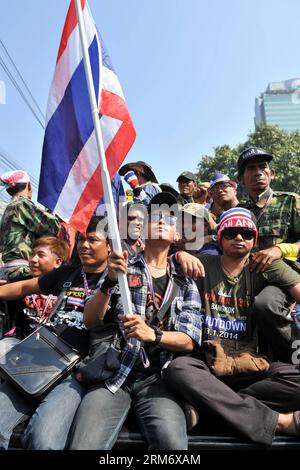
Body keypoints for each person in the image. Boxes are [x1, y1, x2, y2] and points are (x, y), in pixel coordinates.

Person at [69, 192, 202, 450]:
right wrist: (108, 282)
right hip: (114, 376)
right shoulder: (121, 268)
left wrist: (153, 335)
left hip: (159, 383)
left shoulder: (186, 282)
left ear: (177, 236)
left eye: (169, 219)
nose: (162, 221)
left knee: (173, 447)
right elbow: (90, 321)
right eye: (155, 217)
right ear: (141, 230)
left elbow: (190, 340)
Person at [164, 208, 300, 446]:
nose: (239, 238)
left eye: (246, 233)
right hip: (206, 365)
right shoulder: (202, 262)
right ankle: (277, 421)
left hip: (251, 365)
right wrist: (177, 256)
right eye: (232, 232)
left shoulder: (266, 265)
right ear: (220, 237)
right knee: (178, 369)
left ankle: (211, 409)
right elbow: (153, 266)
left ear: (254, 240)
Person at [0, 216, 110, 450]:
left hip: (75, 374)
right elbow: (21, 287)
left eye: (93, 240)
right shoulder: (67, 274)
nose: (84, 245)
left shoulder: (119, 281)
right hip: (38, 359)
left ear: (110, 247)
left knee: (43, 440)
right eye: (81, 239)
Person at [238, 147, 300, 361]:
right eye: (251, 168)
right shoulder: (239, 211)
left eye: (263, 167)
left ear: (272, 173)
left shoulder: (290, 201)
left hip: (284, 279)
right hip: (245, 278)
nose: (258, 172)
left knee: (265, 304)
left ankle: (294, 357)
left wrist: (279, 250)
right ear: (241, 179)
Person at [0, 236, 69, 356]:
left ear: (57, 262)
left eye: (41, 255)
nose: (33, 259)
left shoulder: (67, 288)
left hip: (52, 349)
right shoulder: (16, 282)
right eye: (32, 254)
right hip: (17, 343)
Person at [0, 170, 60, 282]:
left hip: (7, 270)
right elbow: (53, 227)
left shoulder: (8, 208)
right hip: (21, 270)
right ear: (29, 186)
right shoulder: (21, 204)